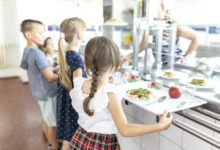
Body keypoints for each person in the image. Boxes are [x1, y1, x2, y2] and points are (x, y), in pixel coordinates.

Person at [68, 36, 173, 149]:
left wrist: (108, 82)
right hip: (100, 145)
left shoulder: (79, 84)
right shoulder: (109, 92)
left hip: (79, 140)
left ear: (86, 62)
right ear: (115, 64)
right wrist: (160, 126)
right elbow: (125, 129)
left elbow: (96, 90)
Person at [20, 19, 60, 150]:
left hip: (38, 92)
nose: (43, 36)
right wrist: (64, 76)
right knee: (52, 123)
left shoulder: (27, 51)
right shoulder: (38, 53)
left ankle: (50, 143)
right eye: (40, 33)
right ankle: (53, 146)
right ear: (28, 34)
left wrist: (53, 70)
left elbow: (32, 69)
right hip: (48, 93)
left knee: (46, 119)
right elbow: (50, 77)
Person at [125, 3, 199, 65]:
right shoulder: (151, 24)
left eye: (158, 9)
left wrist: (186, 56)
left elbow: (196, 37)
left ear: (164, 9)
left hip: (176, 63)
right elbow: (142, 46)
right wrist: (127, 56)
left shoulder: (172, 23)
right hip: (160, 65)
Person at [56, 17, 87, 150]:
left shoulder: (66, 54)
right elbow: (78, 86)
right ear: (79, 34)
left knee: (66, 141)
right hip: (73, 105)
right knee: (71, 141)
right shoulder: (76, 57)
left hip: (64, 103)